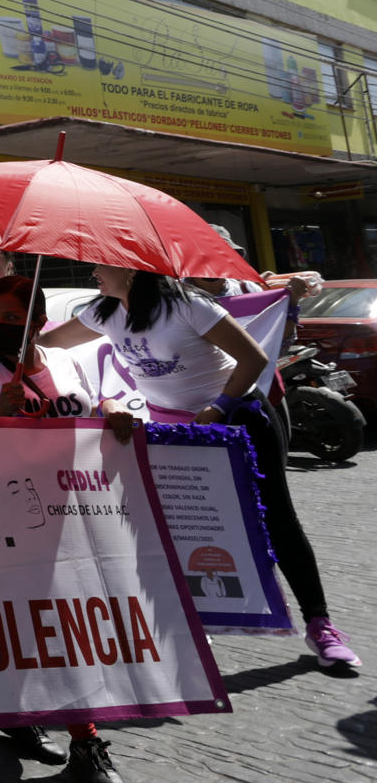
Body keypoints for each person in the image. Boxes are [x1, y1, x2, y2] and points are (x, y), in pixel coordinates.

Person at [41, 266, 361, 674]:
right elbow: (46, 344)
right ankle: (194, 621)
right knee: (181, 527)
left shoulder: (186, 303)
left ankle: (320, 624)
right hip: (175, 432)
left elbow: (253, 358)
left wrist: (217, 410)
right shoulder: (103, 312)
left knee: (277, 519)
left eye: (103, 264)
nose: (94, 271)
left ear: (131, 269)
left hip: (236, 420)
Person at [0, 275, 137, 783]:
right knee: (50, 625)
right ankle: (88, 741)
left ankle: (21, 715)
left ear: (37, 321)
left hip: (79, 512)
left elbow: (96, 410)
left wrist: (114, 413)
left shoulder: (68, 363)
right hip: (15, 522)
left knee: (66, 624)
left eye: (13, 318)